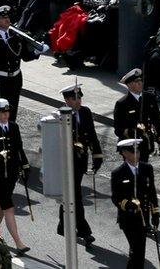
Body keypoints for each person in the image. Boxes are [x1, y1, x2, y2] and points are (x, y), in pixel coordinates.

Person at [0, 98, 31, 256]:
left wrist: (25, 165)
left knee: (0, 207)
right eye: (1, 112)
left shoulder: (14, 127)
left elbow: (19, 148)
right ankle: (19, 243)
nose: (5, 115)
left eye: (7, 112)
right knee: (8, 207)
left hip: (11, 174)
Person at [56, 84, 101, 245]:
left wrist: (97, 155)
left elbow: (92, 134)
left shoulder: (85, 112)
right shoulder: (60, 115)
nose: (79, 101)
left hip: (81, 161)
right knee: (75, 195)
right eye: (75, 98)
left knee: (70, 194)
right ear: (67, 100)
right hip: (66, 162)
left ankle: (63, 225)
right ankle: (84, 231)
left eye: (80, 97)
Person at [111, 138, 159, 269]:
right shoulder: (118, 173)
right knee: (136, 250)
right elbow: (115, 197)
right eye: (133, 152)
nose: (136, 155)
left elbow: (152, 192)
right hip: (128, 218)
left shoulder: (147, 168)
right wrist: (128, 205)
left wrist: (155, 213)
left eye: (138, 152)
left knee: (139, 252)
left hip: (143, 218)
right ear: (125, 153)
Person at [113, 68, 160, 163]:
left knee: (144, 173)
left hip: (146, 144)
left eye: (140, 80)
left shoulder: (149, 98)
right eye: (136, 81)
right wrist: (134, 131)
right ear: (129, 85)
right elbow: (118, 129)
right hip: (130, 147)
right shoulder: (122, 104)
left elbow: (157, 122)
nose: (140, 83)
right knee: (133, 174)